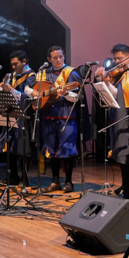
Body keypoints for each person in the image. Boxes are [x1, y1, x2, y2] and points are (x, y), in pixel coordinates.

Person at [93, 44, 129, 200]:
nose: (116, 62)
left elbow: (121, 95)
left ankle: (128, 187)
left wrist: (108, 83)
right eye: (115, 58)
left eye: (119, 58)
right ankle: (125, 184)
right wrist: (101, 79)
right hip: (118, 116)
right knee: (120, 152)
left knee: (125, 152)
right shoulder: (120, 72)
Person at [36, 45, 82, 193]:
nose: (58, 60)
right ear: (49, 59)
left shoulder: (71, 73)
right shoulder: (43, 73)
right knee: (51, 149)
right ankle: (55, 181)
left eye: (60, 57)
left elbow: (77, 97)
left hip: (66, 116)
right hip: (48, 116)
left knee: (67, 148)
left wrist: (65, 94)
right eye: (55, 57)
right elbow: (33, 91)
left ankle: (69, 182)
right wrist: (34, 94)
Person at [0, 50, 36, 189]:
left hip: (25, 115)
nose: (13, 67)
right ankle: (12, 176)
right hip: (11, 113)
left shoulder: (32, 76)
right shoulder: (13, 76)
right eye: (12, 64)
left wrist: (11, 90)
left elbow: (29, 97)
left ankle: (25, 178)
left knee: (23, 147)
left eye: (16, 64)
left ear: (24, 62)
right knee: (10, 145)